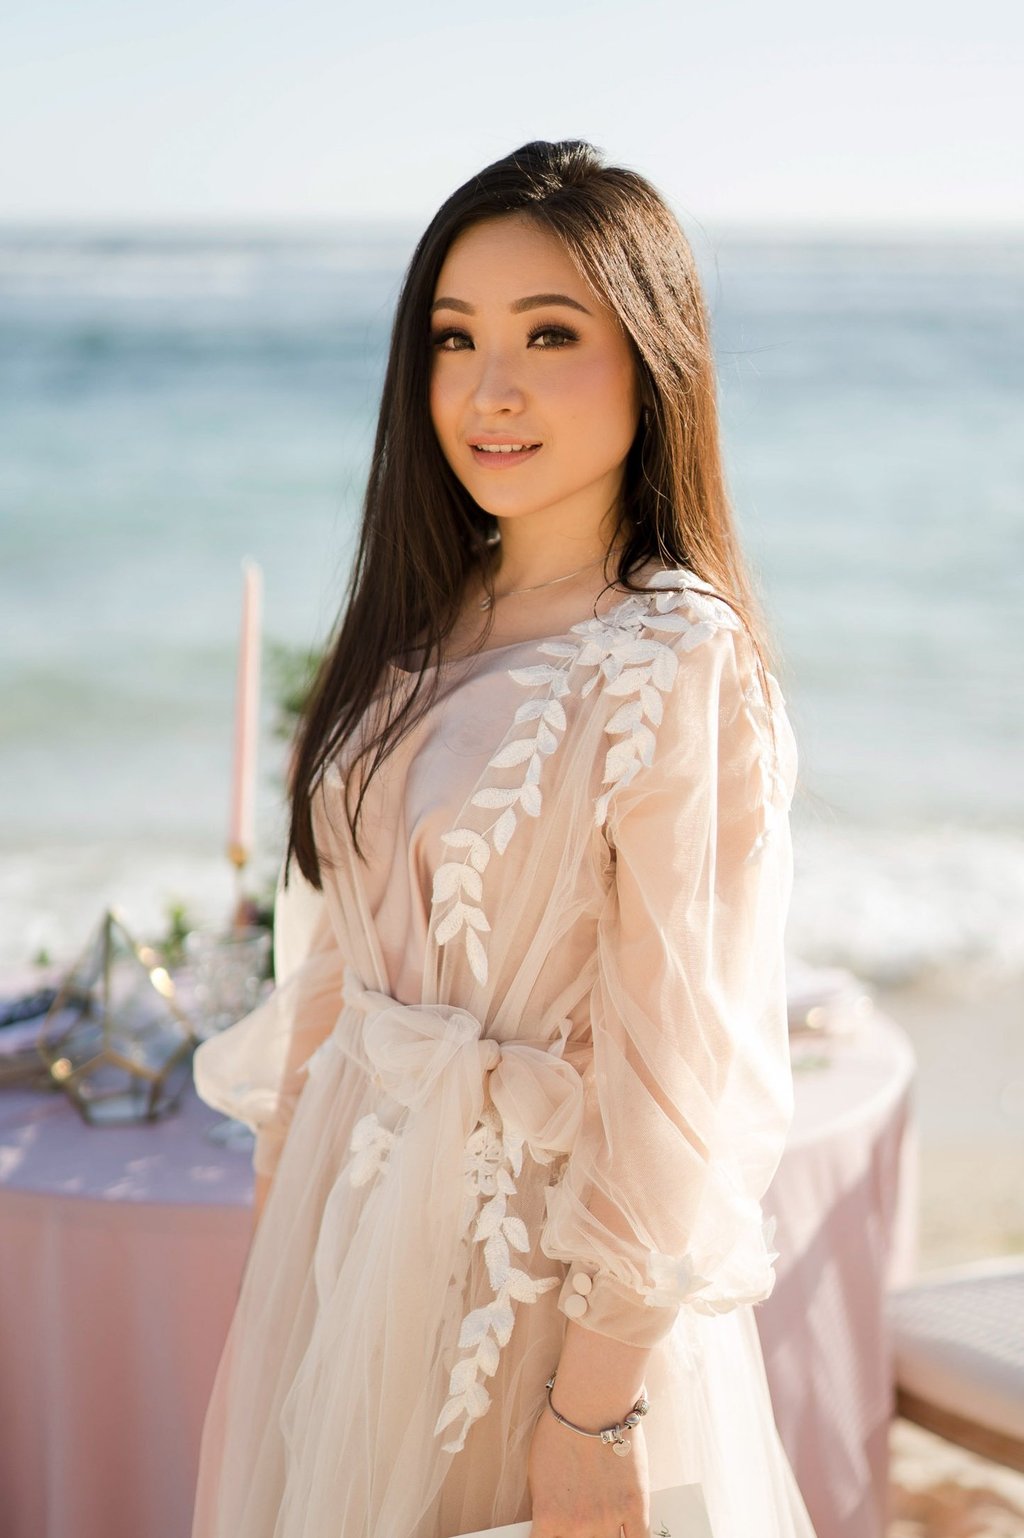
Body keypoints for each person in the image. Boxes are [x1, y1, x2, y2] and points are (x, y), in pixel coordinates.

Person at [191, 138, 816, 1538]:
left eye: (551, 333)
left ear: (653, 360)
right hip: (351, 1245)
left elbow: (677, 1083)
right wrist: (288, 1229)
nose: (491, 385)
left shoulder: (676, 658)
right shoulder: (419, 618)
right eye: (454, 337)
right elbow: (344, 963)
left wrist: (596, 1409)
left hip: (531, 1282)